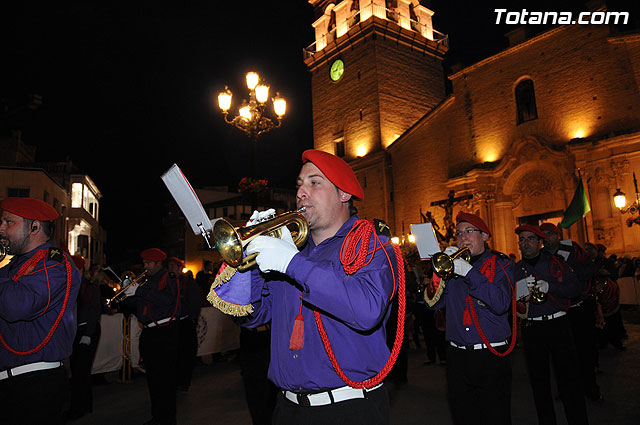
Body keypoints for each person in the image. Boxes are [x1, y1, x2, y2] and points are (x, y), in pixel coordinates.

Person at [211, 149, 403, 425]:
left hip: (349, 409)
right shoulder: (292, 251)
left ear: (344, 194)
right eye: (300, 184)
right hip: (288, 408)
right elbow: (253, 316)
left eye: (315, 182)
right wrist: (250, 257)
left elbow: (367, 310)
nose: (301, 192)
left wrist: (292, 263)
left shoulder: (370, 243)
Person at [424, 212, 515, 425]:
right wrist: (440, 274)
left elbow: (501, 303)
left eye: (469, 231)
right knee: (463, 416)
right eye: (458, 233)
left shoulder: (501, 264)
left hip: (491, 355)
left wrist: (470, 273)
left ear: (484, 235)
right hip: (458, 356)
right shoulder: (453, 268)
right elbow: (432, 303)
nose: (463, 238)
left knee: (496, 416)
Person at [0, 197, 81, 425]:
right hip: (13, 380)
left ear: (34, 227)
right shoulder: (12, 264)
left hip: (34, 382)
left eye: (9, 222)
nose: (1, 228)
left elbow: (17, 306)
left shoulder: (55, 263)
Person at [515, 224, 589, 425]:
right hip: (532, 328)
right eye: (522, 239)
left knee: (570, 381)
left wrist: (551, 287)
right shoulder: (516, 270)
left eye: (530, 239)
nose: (525, 243)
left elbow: (575, 287)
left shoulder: (556, 262)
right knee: (539, 384)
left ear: (540, 243)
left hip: (558, 324)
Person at [540, 222, 602, 402]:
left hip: (579, 308)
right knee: (561, 356)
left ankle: (591, 390)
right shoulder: (542, 255)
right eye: (544, 234)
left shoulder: (573, 249)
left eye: (550, 234)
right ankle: (566, 390)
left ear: (558, 235)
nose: (547, 237)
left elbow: (588, 269)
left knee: (585, 352)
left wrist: (568, 275)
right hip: (559, 311)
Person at [126, 248, 181, 425]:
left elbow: (167, 299)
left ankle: (168, 419)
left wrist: (138, 292)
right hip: (149, 332)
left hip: (164, 333)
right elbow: (140, 304)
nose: (145, 266)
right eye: (144, 263)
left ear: (159, 264)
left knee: (165, 380)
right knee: (153, 379)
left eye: (148, 263)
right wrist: (128, 295)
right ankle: (158, 417)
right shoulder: (148, 280)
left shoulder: (168, 278)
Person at [64, 254, 102, 420]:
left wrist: (87, 334)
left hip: (87, 330)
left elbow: (94, 310)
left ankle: (78, 408)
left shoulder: (88, 286)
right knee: (81, 371)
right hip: (78, 331)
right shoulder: (75, 284)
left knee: (81, 372)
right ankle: (85, 405)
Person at [167, 256, 200, 392]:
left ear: (180, 268)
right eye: (169, 267)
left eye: (173, 267)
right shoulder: (168, 282)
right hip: (173, 322)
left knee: (186, 353)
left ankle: (183, 381)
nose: (171, 269)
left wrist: (192, 319)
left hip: (185, 321)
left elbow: (195, 301)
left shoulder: (188, 283)